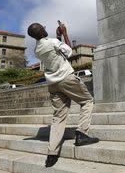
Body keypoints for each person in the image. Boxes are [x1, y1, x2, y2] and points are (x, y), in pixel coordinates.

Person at [27, 23, 99, 167]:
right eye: (43, 28)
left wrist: (57, 36)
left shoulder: (37, 50)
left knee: (58, 116)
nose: (46, 29)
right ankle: (81, 134)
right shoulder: (53, 42)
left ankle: (52, 154)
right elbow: (69, 52)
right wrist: (65, 33)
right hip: (66, 78)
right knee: (87, 101)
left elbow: (54, 50)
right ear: (41, 32)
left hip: (53, 84)